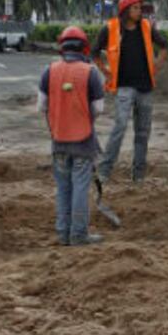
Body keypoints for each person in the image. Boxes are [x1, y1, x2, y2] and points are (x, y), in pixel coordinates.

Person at [38, 26, 106, 246]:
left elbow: (42, 106)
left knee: (63, 188)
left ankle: (63, 233)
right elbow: (99, 108)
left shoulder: (49, 71)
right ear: (84, 47)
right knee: (80, 188)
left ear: (62, 47)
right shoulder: (90, 72)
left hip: (59, 141)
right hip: (83, 142)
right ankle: (78, 234)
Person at [92, 0, 168, 183]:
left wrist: (157, 66)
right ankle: (105, 171)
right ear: (125, 10)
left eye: (140, 8)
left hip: (145, 88)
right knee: (120, 126)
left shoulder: (146, 26)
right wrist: (106, 72)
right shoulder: (111, 28)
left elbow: (164, 46)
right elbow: (94, 52)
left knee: (143, 132)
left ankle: (139, 175)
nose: (139, 11)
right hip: (124, 87)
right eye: (135, 8)